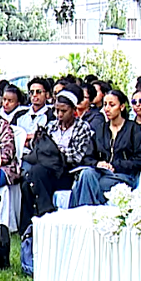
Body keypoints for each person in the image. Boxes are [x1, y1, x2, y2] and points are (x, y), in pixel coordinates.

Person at [21, 86, 96, 226]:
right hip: (46, 171)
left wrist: (54, 153)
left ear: (73, 110)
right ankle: (37, 220)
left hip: (66, 173)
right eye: (57, 111)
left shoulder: (82, 128)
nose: (59, 115)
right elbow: (38, 148)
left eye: (64, 111)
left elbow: (76, 156)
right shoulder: (51, 126)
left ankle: (41, 218)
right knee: (29, 180)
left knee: (34, 174)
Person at [71, 90, 141, 207]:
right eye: (105, 104)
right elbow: (87, 157)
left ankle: (85, 211)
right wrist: (98, 163)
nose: (107, 109)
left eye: (112, 105)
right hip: (100, 172)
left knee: (95, 184)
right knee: (86, 174)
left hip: (123, 175)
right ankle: (88, 211)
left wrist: (115, 165)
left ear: (122, 107)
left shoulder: (133, 129)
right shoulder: (100, 129)